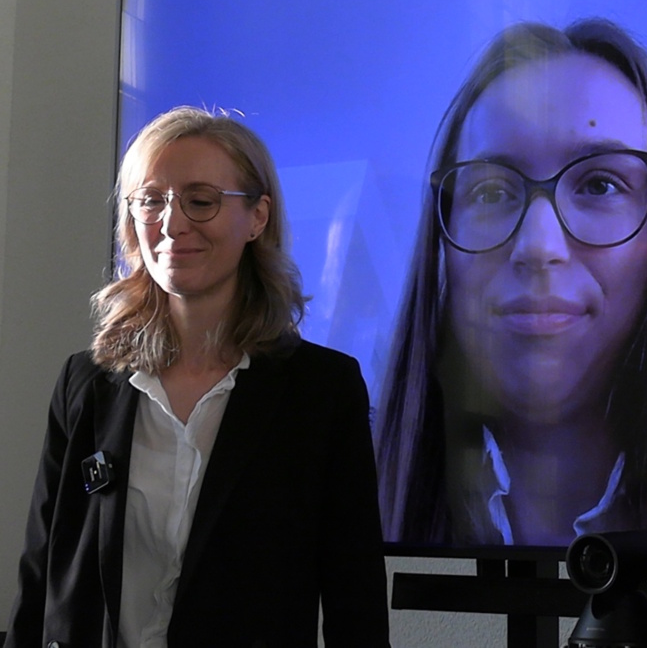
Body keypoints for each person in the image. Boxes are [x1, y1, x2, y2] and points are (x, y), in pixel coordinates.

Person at [4, 107, 390, 647]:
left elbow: (355, 594)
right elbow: (41, 569)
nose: (171, 222)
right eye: (150, 200)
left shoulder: (321, 389)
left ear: (258, 217)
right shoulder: (87, 382)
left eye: (201, 201)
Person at [373, 19, 647, 549]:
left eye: (601, 184)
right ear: (440, 244)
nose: (538, 246)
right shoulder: (331, 502)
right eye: (490, 192)